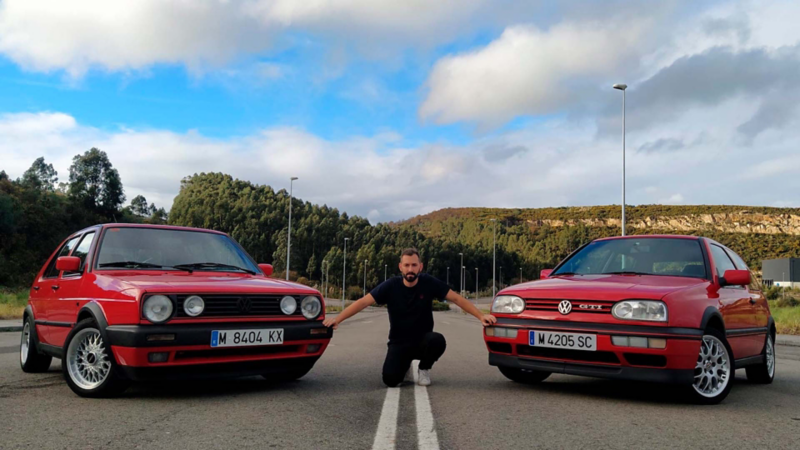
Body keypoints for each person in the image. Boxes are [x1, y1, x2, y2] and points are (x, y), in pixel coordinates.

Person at [323, 248, 496, 387]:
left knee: (438, 340)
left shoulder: (429, 283)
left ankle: (424, 368)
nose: (410, 269)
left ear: (420, 267)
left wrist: (480, 316)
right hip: (399, 342)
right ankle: (403, 366)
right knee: (390, 380)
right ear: (400, 267)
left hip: (423, 341)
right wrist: (337, 319)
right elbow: (362, 302)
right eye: (407, 265)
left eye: (414, 265)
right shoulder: (390, 286)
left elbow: (457, 299)